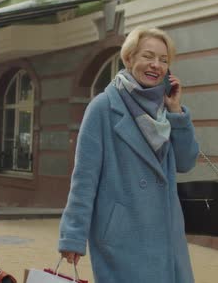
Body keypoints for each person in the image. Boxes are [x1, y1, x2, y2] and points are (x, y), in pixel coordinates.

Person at [58, 26, 200, 282]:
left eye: (163, 60)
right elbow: (84, 178)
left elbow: (186, 162)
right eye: (148, 56)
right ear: (129, 58)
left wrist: (177, 112)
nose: (156, 65)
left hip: (167, 234)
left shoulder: (164, 107)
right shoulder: (103, 107)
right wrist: (73, 235)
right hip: (122, 235)